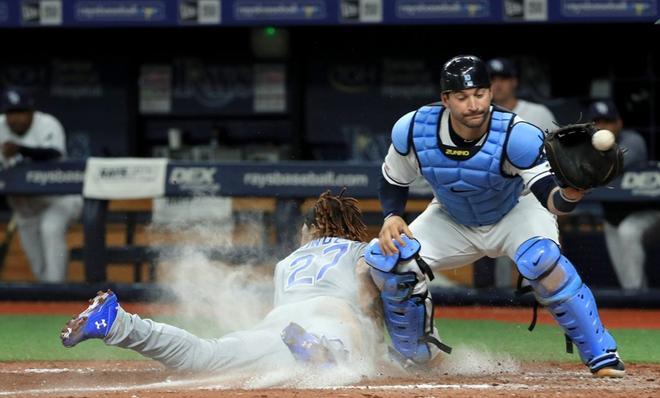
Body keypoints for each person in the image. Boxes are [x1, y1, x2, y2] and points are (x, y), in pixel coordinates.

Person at [369, 55, 625, 377]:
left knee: (542, 261)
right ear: (445, 99)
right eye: (462, 97)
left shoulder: (516, 134)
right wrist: (392, 216)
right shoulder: (414, 130)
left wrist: (571, 195)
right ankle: (419, 357)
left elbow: (550, 200)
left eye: (480, 94)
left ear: (491, 93)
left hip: (515, 212)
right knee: (389, 260)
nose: (473, 104)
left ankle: (600, 353)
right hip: (451, 216)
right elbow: (393, 179)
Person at [60, 190, 386, 375]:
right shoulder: (363, 249)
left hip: (279, 324)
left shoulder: (287, 262)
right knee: (343, 369)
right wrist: (371, 347)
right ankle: (325, 352)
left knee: (206, 357)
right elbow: (364, 287)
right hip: (332, 318)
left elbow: (290, 312)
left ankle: (121, 324)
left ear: (309, 230)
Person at [0, 87, 82, 282]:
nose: (16, 118)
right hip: (24, 209)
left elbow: (53, 154)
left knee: (51, 228)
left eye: (21, 112)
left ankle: (57, 293)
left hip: (60, 200)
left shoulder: (47, 124)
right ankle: (50, 299)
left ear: (31, 112)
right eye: (11, 113)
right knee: (39, 267)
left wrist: (20, 149)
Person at [588, 99, 660, 290]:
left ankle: (640, 302)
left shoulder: (633, 140)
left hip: (649, 213)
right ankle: (634, 305)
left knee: (628, 230)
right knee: (627, 282)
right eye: (597, 122)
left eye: (607, 122)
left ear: (619, 123)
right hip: (613, 217)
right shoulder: (584, 146)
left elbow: (615, 162)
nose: (602, 128)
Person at [486, 57, 557, 133]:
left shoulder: (539, 113)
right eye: (492, 79)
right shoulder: (479, 118)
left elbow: (558, 144)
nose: (497, 84)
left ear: (514, 81)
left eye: (503, 79)